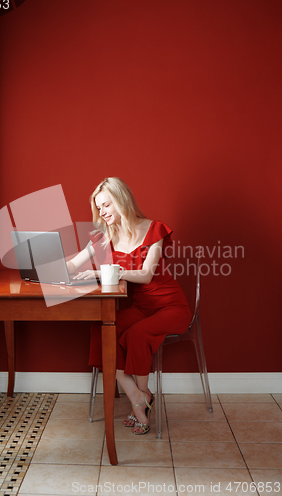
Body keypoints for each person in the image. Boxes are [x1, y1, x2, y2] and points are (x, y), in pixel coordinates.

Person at [67, 177, 191, 435]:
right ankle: (137, 395)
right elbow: (72, 265)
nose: (102, 212)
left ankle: (142, 399)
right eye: (98, 208)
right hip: (142, 308)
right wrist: (37, 268)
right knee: (102, 328)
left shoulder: (154, 229)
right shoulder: (105, 237)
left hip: (171, 306)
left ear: (121, 200)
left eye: (106, 205)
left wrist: (105, 273)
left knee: (136, 334)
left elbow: (146, 275)